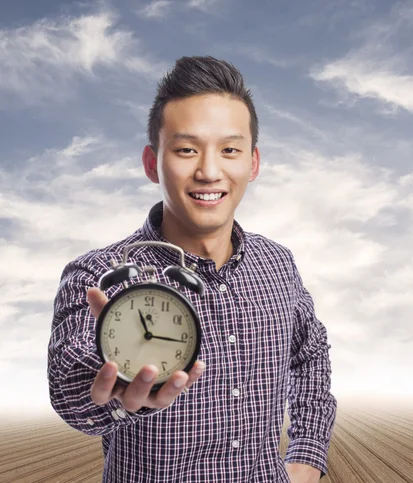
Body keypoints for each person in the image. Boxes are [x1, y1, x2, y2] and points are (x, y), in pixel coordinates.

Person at [47, 56, 337, 483]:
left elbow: (310, 353)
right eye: (186, 149)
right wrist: (117, 369)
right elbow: (71, 392)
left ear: (252, 163)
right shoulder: (98, 274)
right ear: (152, 163)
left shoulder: (278, 263)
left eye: (230, 150)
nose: (209, 171)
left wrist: (307, 459)